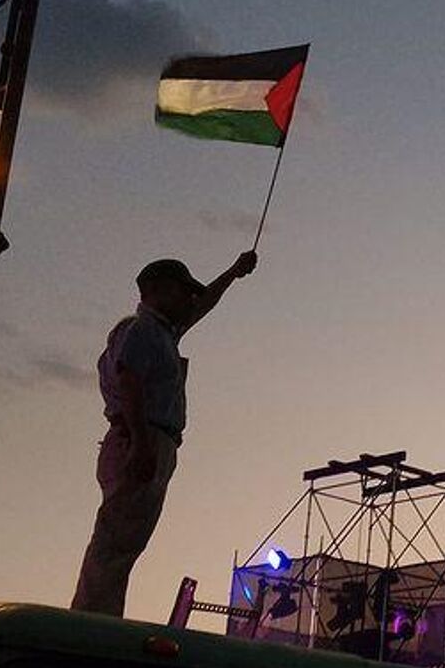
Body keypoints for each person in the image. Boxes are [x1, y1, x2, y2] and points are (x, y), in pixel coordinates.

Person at [71, 251, 257, 616]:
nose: (190, 299)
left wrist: (233, 273)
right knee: (116, 538)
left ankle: (100, 614)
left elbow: (201, 306)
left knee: (125, 538)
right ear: (155, 291)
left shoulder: (159, 333)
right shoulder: (143, 331)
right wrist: (141, 444)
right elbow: (130, 381)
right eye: (181, 290)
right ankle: (93, 618)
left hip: (145, 438)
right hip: (141, 438)